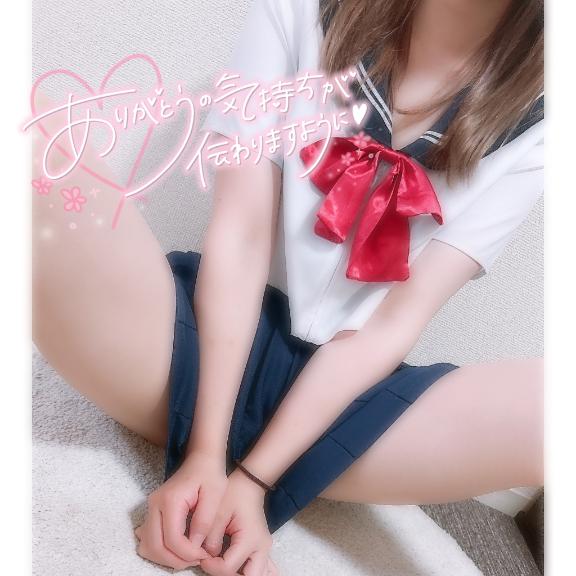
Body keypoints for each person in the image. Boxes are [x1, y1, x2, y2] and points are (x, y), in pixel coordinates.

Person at [32, 0, 544, 574]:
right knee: (30, 130)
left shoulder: (543, 123)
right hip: (206, 342)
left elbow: (392, 323)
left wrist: (254, 482)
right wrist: (203, 454)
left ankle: (269, 466)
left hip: (346, 405)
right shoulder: (297, 8)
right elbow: (241, 235)